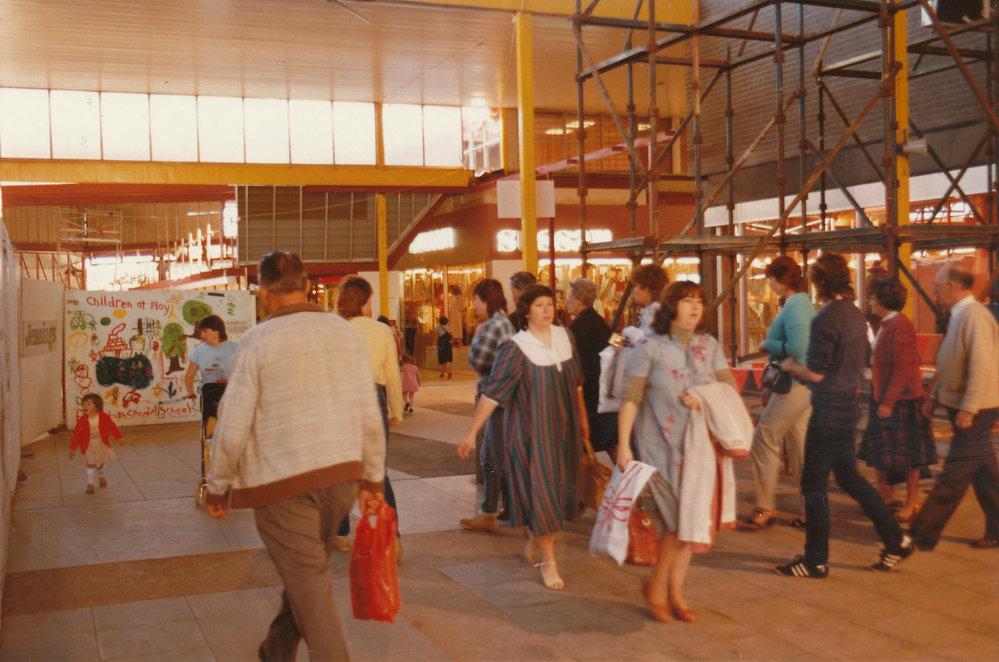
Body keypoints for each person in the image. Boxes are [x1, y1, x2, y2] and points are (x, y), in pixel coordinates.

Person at [205, 251, 386, 661]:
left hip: (282, 490)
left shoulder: (255, 342)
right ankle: (276, 650)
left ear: (264, 294)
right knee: (306, 575)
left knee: (310, 586)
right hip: (339, 482)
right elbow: (368, 414)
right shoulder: (344, 334)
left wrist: (218, 488)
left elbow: (232, 426)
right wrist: (372, 480)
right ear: (307, 287)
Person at [776, 252, 914, 578]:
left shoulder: (825, 317)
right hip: (849, 407)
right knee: (850, 478)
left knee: (813, 484)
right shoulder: (855, 314)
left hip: (827, 409)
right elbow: (862, 358)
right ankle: (896, 541)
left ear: (818, 282)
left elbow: (817, 372)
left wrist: (791, 366)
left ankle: (815, 560)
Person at [616, 280, 738, 624]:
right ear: (671, 307)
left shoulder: (708, 344)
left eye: (699, 301)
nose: (695, 307)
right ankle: (657, 589)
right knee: (676, 525)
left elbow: (727, 386)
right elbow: (630, 397)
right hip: (658, 448)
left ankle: (675, 593)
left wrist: (709, 398)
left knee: (690, 523)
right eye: (687, 301)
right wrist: (624, 444)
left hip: (700, 448)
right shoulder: (649, 348)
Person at [457, 284, 587, 590]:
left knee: (553, 497)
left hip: (562, 432)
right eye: (539, 305)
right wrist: (471, 433)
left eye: (550, 304)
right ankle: (549, 561)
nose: (547, 310)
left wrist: (582, 420)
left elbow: (577, 382)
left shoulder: (565, 338)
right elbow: (492, 394)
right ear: (526, 311)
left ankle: (534, 533)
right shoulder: (515, 348)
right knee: (542, 494)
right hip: (530, 435)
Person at [910, 262, 999, 550]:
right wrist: (934, 397)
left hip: (977, 408)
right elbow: (950, 362)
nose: (935, 293)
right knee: (985, 472)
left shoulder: (973, 316)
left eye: (937, 288)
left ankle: (922, 532)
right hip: (965, 404)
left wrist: (969, 408)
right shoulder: (960, 315)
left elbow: (982, 367)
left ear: (951, 286)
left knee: (954, 473)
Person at [739, 256, 814, 530]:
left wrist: (767, 343)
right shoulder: (804, 304)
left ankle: (764, 506)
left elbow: (797, 346)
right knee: (799, 446)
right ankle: (811, 506)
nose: (769, 284)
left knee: (764, 439)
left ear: (781, 279)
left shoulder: (794, 306)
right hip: (802, 385)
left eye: (771, 278)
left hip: (792, 384)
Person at [334, 276, 405, 558]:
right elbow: (392, 375)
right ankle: (393, 538)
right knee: (378, 473)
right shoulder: (381, 330)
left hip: (341, 402)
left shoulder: (333, 329)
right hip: (372, 398)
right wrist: (396, 410)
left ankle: (340, 534)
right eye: (370, 301)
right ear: (363, 303)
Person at [858, 277, 936, 523]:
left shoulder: (900, 325)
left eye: (872, 297)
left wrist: (888, 402)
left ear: (882, 301)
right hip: (884, 396)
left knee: (909, 455)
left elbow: (902, 369)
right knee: (883, 451)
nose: (869, 300)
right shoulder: (886, 324)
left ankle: (913, 501)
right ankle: (886, 496)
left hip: (901, 401)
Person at [460, 278, 516, 532]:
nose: (474, 305)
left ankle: (515, 513)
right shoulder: (505, 322)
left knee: (498, 460)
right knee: (489, 457)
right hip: (500, 399)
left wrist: (477, 337)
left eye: (475, 300)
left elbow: (478, 361)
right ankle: (489, 512)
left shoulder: (493, 326)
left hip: (496, 400)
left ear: (484, 300)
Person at [566, 277, 618, 459]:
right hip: (603, 394)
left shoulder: (577, 327)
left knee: (584, 444)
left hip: (588, 397)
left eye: (570, 297)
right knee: (611, 442)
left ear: (579, 299)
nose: (567, 301)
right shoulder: (599, 322)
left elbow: (576, 365)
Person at [69, 393, 124, 494]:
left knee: (100, 464)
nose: (85, 407)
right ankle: (90, 484)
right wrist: (73, 448)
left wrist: (118, 437)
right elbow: (76, 435)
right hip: (88, 445)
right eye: (84, 404)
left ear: (96, 406)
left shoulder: (103, 416)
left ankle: (102, 476)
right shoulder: (82, 421)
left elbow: (112, 427)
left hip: (100, 444)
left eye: (89, 404)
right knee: (91, 464)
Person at [183, 314, 238, 399]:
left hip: (231, 396)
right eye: (201, 331)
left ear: (217, 330)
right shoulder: (199, 351)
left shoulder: (236, 348)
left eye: (205, 331)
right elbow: (189, 376)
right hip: (208, 397)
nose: (202, 335)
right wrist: (190, 392)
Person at [629, 264, 669, 332]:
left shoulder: (654, 316)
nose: (634, 291)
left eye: (637, 286)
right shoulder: (656, 311)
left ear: (647, 289)